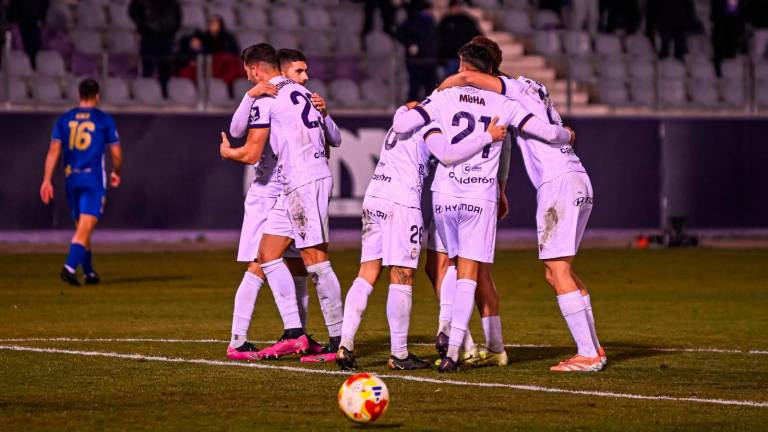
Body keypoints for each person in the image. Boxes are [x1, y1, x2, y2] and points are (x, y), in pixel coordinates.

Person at [392, 43, 574, 372]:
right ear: (491, 70)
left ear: (462, 65)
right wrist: (568, 135)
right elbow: (546, 132)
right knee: (469, 274)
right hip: (480, 197)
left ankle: (449, 333)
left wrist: (411, 110)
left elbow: (404, 126)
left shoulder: (443, 97)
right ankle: (453, 354)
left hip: (445, 194)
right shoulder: (505, 104)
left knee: (446, 265)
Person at [437, 40, 607, 372]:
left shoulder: (510, 89)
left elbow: (468, 78)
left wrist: (440, 91)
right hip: (576, 177)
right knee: (559, 271)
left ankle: (587, 354)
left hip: (557, 183)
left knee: (557, 271)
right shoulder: (533, 87)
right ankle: (594, 348)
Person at [334, 108, 508, 371]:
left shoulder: (405, 113)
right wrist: (487, 136)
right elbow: (448, 153)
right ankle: (399, 354)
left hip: (374, 196)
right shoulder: (431, 120)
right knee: (402, 276)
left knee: (367, 272)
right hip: (401, 202)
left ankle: (345, 343)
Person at [220, 44, 344, 363]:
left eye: (248, 72)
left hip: (301, 181)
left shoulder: (268, 96)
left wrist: (228, 152)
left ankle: (339, 341)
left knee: (314, 258)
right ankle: (294, 333)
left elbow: (250, 151)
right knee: (268, 254)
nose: (248, 78)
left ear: (256, 69)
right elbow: (331, 140)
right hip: (297, 182)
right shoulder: (303, 94)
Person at [40, 79, 122, 286]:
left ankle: (89, 272)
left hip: (71, 178)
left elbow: (53, 151)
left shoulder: (64, 119)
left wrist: (47, 180)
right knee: (85, 227)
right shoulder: (103, 120)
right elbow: (116, 153)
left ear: (79, 95)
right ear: (97, 96)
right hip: (92, 179)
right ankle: (69, 267)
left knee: (81, 226)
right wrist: (116, 171)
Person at [129, 0, 181, 95]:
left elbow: (177, 17)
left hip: (167, 38)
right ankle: (146, 92)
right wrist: (143, 26)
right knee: (147, 67)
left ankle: (165, 93)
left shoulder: (172, 2)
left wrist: (171, 31)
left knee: (165, 68)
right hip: (149, 37)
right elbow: (133, 11)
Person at [396, 0, 439, 101]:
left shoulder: (432, 23)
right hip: (416, 61)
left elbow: (435, 41)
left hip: (430, 61)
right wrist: (410, 45)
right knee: (415, 87)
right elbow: (400, 34)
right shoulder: (412, 22)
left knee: (430, 88)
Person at [437, 0, 481, 75]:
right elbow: (439, 39)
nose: (457, 8)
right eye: (455, 6)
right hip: (449, 58)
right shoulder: (445, 21)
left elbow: (477, 36)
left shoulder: (468, 20)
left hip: (465, 58)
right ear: (450, 8)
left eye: (459, 6)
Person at [7, 0, 49, 69]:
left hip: (28, 17)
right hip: (28, 17)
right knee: (29, 43)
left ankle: (32, 65)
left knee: (30, 43)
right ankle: (32, 65)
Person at [712, 0, 746, 76]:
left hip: (731, 28)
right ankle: (720, 74)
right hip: (723, 29)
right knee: (722, 53)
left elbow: (739, 13)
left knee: (730, 54)